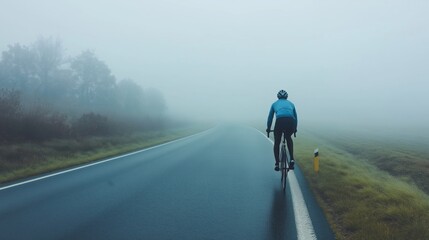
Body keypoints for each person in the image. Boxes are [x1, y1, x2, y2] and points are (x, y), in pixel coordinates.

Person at [266, 90, 298, 171]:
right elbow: (295, 118)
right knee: (288, 137)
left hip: (280, 121)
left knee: (277, 142)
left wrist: (268, 128)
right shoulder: (291, 104)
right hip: (291, 121)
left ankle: (277, 163)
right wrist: (295, 129)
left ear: (278, 97)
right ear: (286, 97)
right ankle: (292, 159)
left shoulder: (274, 104)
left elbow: (270, 118)